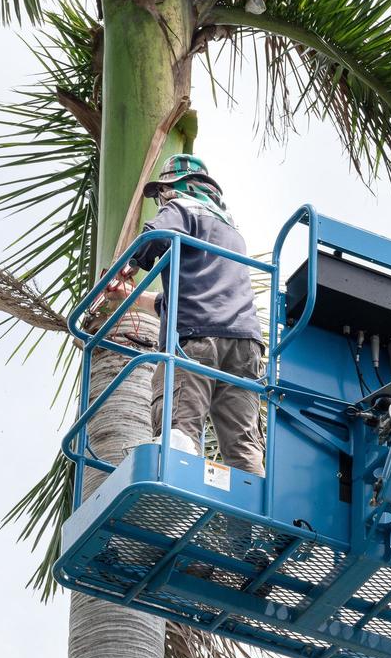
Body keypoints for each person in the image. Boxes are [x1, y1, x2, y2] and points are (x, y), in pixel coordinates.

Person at [96, 154, 266, 474]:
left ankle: (172, 488)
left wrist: (126, 268)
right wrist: (129, 297)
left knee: (178, 426)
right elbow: (179, 300)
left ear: (174, 188)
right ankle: (253, 518)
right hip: (245, 344)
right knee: (243, 444)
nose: (161, 199)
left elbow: (154, 237)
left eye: (162, 193)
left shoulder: (182, 207)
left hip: (198, 340)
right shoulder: (231, 231)